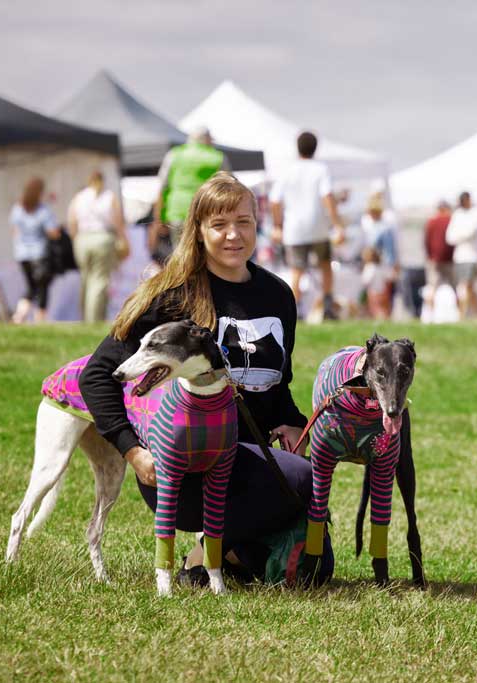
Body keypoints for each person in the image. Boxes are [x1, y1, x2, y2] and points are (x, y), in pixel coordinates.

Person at [80, 172, 333, 584]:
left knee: (314, 571)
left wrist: (290, 420)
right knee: (301, 479)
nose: (234, 235)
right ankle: (200, 556)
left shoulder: (278, 295)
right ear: (198, 231)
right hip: (182, 469)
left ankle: (231, 552)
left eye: (244, 222)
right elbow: (96, 377)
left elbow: (276, 384)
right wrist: (133, 452)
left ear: (258, 223)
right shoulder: (171, 295)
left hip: (248, 464)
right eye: (219, 225)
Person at [269, 131, 345, 316]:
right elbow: (327, 196)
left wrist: (278, 226)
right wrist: (337, 225)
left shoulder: (287, 170)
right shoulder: (320, 169)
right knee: (326, 267)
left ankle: (293, 311)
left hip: (294, 229)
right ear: (315, 148)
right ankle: (327, 307)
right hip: (318, 227)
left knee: (297, 271)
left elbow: (275, 200)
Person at [150, 126, 229, 263]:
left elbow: (162, 188)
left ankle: (183, 282)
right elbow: (229, 189)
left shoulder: (174, 155)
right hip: (207, 213)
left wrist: (158, 219)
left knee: (180, 255)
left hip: (177, 213)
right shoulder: (217, 157)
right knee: (206, 256)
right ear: (207, 140)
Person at [67, 170, 129, 322]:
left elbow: (71, 221)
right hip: (103, 238)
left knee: (86, 278)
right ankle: (93, 319)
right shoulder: (109, 196)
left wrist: (76, 240)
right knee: (99, 281)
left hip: (82, 239)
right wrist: (124, 240)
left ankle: (85, 317)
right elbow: (118, 222)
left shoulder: (79, 197)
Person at [10, 177, 61, 324]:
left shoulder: (17, 209)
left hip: (22, 254)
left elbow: (14, 231)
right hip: (39, 254)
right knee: (42, 288)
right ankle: (40, 319)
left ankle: (19, 316)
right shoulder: (42, 210)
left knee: (31, 288)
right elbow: (53, 232)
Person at [446, 191, 477, 318]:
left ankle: (462, 314)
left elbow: (471, 232)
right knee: (467, 287)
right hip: (459, 257)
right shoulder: (457, 214)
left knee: (467, 285)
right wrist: (462, 235)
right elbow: (450, 237)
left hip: (472, 256)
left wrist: (460, 234)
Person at [424, 200, 454, 303]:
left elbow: (426, 241)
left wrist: (430, 256)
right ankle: (459, 313)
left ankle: (430, 311)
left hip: (434, 259)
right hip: (449, 259)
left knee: (432, 286)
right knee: (453, 287)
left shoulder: (431, 221)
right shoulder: (451, 220)